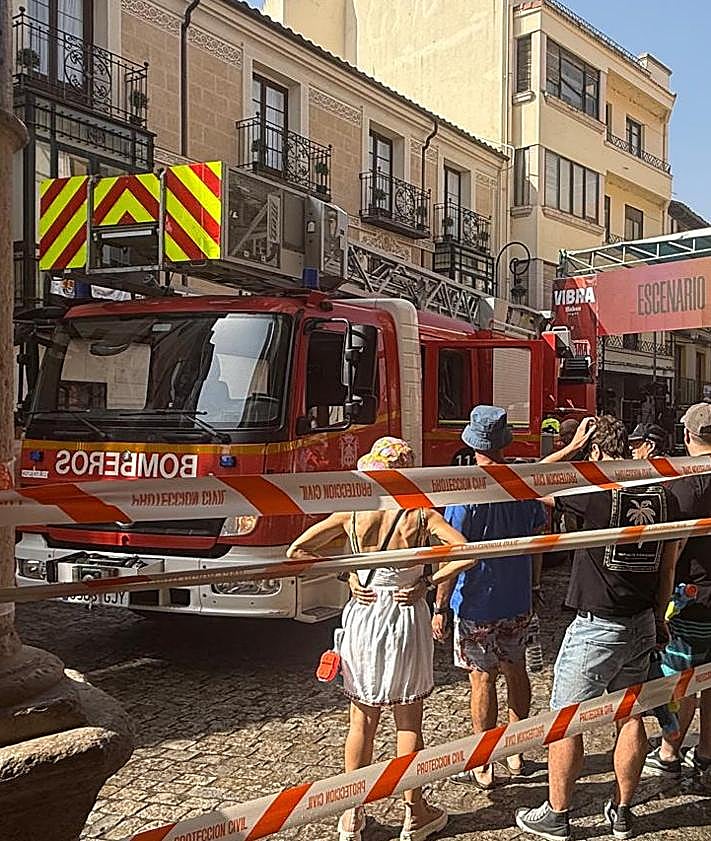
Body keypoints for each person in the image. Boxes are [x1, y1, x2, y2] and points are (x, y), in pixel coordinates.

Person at [286, 436, 466, 841]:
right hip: (405, 613)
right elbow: (466, 551)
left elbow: (297, 551)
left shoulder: (352, 514)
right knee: (409, 720)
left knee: (361, 720)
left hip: (364, 613)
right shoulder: (419, 515)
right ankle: (414, 812)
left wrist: (346, 572)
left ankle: (351, 815)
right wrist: (428, 580)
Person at [515, 416, 680, 841]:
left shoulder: (592, 496)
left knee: (565, 722)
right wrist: (659, 620)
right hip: (642, 619)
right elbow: (666, 569)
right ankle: (623, 812)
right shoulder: (663, 497)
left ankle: (557, 814)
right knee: (631, 717)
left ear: (594, 453)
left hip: (597, 626)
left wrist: (570, 449)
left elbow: (528, 483)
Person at [432, 406, 547, 789]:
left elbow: (456, 553)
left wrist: (440, 605)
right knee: (517, 672)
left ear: (471, 443)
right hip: (516, 597)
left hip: (477, 600)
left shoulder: (467, 490)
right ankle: (517, 752)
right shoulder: (521, 482)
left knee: (482, 679)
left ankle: (484, 763)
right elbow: (538, 527)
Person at [644, 403, 711, 782]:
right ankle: (705, 752)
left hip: (691, 598)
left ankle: (670, 752)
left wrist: (659, 602)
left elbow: (675, 549)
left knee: (683, 679)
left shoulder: (686, 483)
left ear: (686, 436)